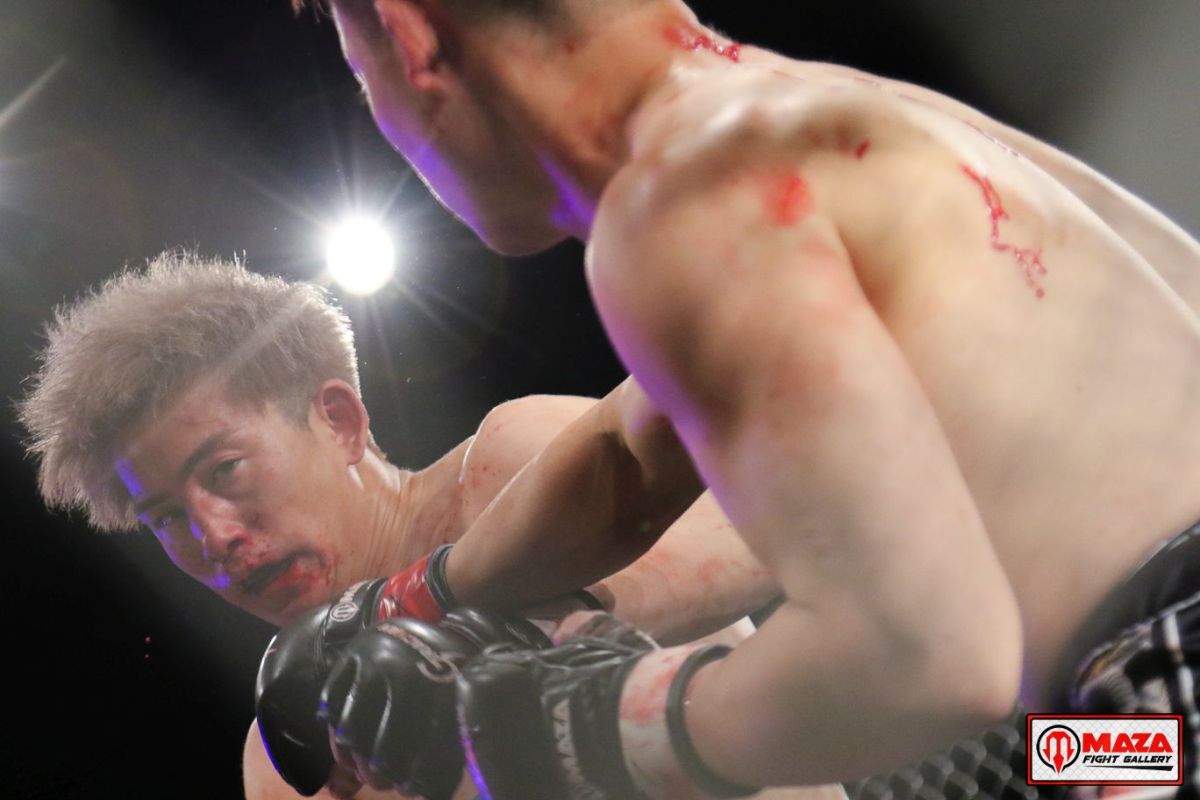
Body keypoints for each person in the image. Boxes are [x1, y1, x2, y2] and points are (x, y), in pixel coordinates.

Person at [275, 0, 1200, 797]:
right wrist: (406, 603)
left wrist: (584, 722)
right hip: (1145, 716)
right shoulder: (828, 118)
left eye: (360, 78)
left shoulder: (687, 195)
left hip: (1165, 668)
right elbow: (628, 462)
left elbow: (935, 662)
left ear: (409, 36)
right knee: (1061, 756)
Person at [17, 252, 841, 800]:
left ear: (338, 420)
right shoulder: (283, 760)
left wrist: (452, 622)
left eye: (225, 471)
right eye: (166, 518)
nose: (215, 537)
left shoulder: (507, 466)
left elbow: (766, 526)